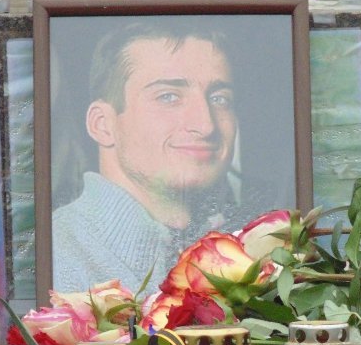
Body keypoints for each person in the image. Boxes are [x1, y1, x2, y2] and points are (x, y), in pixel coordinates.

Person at [52, 20, 259, 294]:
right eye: (168, 97)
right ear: (102, 124)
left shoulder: (252, 253)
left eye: (220, 99)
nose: (206, 125)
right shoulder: (56, 259)